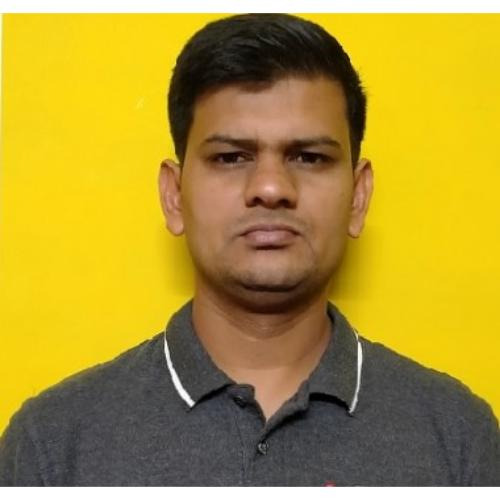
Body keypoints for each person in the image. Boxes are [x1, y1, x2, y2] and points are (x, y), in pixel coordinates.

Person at [0, 13, 498, 487]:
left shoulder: (458, 442)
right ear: (174, 196)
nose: (270, 187)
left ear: (358, 196)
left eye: (309, 157)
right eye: (231, 157)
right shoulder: (53, 448)